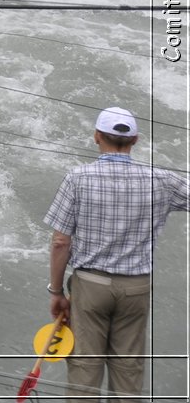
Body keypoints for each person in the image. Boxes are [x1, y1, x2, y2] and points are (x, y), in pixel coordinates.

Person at [44, 106, 189, 399]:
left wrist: (57, 291)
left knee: (85, 369)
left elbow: (61, 242)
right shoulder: (162, 180)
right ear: (135, 141)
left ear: (97, 137)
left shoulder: (77, 178)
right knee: (128, 370)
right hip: (137, 287)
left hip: (90, 286)